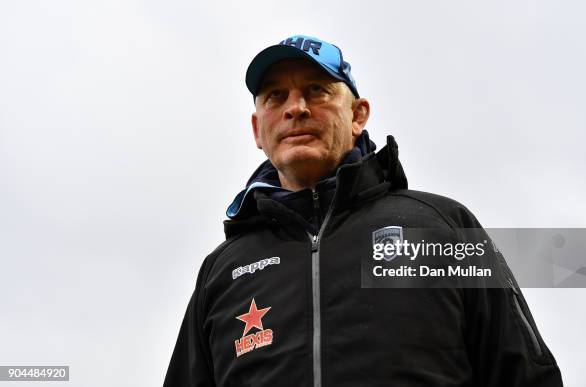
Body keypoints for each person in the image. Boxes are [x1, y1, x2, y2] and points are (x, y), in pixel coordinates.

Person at [163, 34, 564, 387]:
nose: (295, 108)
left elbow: (527, 374)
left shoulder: (443, 228)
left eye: (317, 90)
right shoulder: (222, 272)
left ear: (358, 115)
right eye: (275, 96)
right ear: (257, 130)